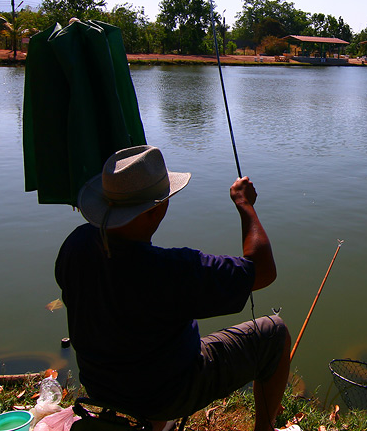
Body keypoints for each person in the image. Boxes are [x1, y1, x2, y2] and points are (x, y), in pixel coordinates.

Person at [55, 145, 291, 431]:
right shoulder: (170, 270)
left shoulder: (75, 245)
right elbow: (263, 271)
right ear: (157, 209)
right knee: (273, 333)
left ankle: (151, 422)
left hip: (100, 387)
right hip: (166, 394)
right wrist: (245, 206)